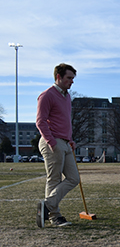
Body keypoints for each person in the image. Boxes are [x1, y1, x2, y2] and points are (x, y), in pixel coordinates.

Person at [35, 63, 80, 227]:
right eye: (69, 78)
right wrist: (51, 141)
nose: (72, 82)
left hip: (66, 143)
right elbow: (40, 122)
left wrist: (70, 139)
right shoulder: (47, 95)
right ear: (58, 77)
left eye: (73, 79)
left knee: (74, 178)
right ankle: (55, 217)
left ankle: (46, 206)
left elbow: (65, 121)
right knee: (53, 179)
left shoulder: (67, 97)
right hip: (52, 142)